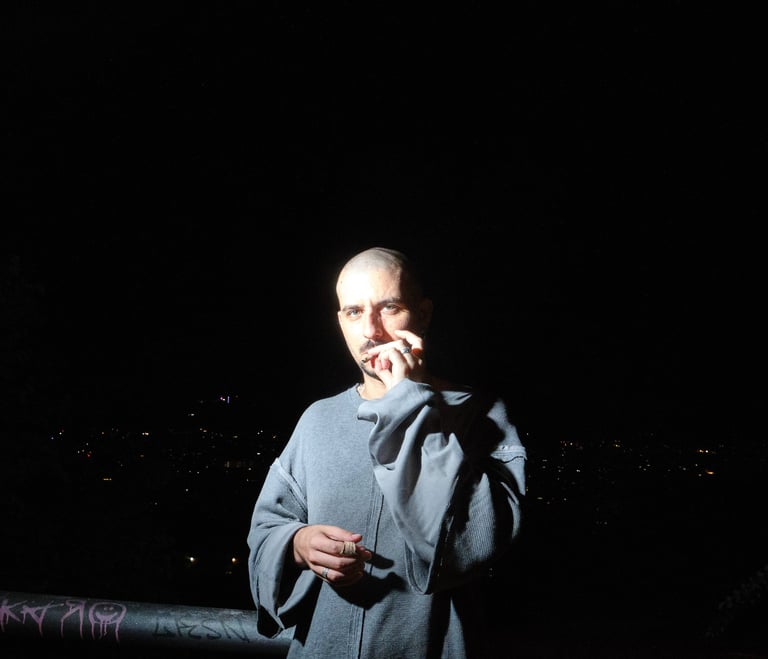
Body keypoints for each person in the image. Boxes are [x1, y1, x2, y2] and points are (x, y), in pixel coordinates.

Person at [246, 246, 527, 658]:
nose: (371, 331)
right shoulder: (317, 420)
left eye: (389, 308)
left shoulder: (480, 413)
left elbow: (477, 541)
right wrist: (298, 543)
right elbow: (266, 528)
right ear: (340, 321)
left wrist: (410, 402)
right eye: (354, 312)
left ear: (423, 314)